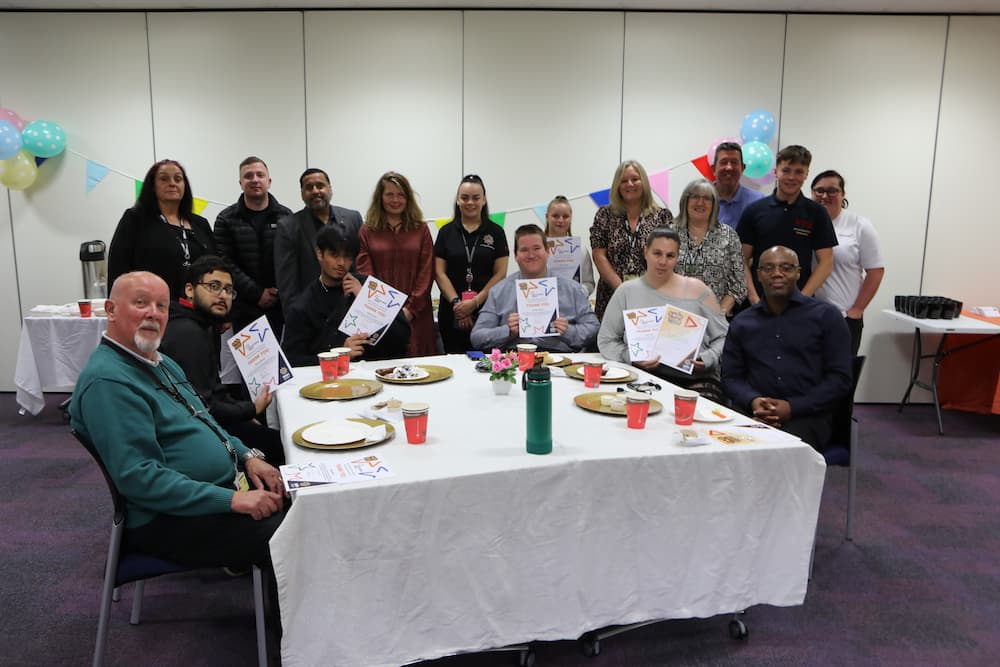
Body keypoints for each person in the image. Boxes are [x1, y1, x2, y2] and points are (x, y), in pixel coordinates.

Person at [68, 271, 285, 570]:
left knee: (303, 500)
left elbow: (206, 422)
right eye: (141, 303)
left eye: (161, 306)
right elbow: (140, 479)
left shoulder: (159, 361)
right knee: (291, 532)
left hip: (211, 494)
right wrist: (232, 501)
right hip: (166, 518)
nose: (153, 314)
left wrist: (247, 456)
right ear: (111, 310)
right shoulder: (109, 382)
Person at [721, 246, 852, 452]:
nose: (777, 273)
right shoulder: (742, 322)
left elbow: (840, 379)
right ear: (759, 275)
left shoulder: (826, 317)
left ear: (798, 272)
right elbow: (731, 377)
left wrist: (793, 407)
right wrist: (753, 400)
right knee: (720, 451)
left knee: (775, 452)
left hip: (807, 416)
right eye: (769, 268)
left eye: (786, 268)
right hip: (752, 413)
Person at [159, 255, 285, 466]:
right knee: (281, 446)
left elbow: (214, 390)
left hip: (207, 424)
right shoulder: (187, 332)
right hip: (194, 435)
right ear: (189, 290)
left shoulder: (200, 325)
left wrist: (243, 413)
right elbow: (205, 407)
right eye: (214, 286)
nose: (222, 295)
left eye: (228, 290)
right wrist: (251, 409)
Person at [598, 228, 729, 402]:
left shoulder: (698, 290)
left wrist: (708, 358)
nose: (662, 262)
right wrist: (631, 357)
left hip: (695, 379)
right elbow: (606, 340)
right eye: (657, 254)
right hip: (643, 377)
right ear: (645, 252)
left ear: (678, 257)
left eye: (670, 256)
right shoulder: (626, 291)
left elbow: (725, 337)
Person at [282, 225, 410, 366]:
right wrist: (338, 354)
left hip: (378, 370)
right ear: (320, 254)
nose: (341, 263)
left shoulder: (369, 286)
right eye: (334, 255)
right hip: (331, 380)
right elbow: (293, 360)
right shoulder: (303, 305)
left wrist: (365, 298)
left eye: (347, 257)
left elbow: (403, 335)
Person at [471, 224, 599, 353]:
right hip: (514, 360)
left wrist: (568, 331)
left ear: (547, 251)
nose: (531, 255)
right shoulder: (498, 291)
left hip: (560, 359)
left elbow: (594, 329)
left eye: (537, 248)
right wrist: (507, 331)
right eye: (524, 250)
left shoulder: (572, 289)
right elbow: (477, 337)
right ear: (516, 256)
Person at [736, 145, 838, 306]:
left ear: (806, 174)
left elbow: (826, 262)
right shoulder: (754, 211)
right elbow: (741, 259)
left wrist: (803, 298)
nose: (792, 177)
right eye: (786, 170)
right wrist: (754, 298)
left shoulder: (817, 213)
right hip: (759, 303)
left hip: (800, 305)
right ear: (776, 171)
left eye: (798, 172)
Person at [108, 159, 216, 300]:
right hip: (152, 306)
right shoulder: (135, 219)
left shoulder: (200, 223)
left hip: (200, 308)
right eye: (164, 179)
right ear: (152, 186)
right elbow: (118, 267)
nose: (172, 183)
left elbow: (216, 268)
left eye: (178, 179)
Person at [356, 172, 437, 357]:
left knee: (420, 373)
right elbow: (365, 274)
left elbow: (426, 272)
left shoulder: (421, 229)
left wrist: (409, 310)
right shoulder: (367, 231)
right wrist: (383, 311)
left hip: (416, 315)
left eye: (401, 194)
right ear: (380, 197)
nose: (395, 199)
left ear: (408, 198)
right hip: (377, 316)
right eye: (389, 194)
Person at [213, 156, 292, 334]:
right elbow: (224, 262)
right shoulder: (225, 219)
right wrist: (257, 294)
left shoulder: (286, 216)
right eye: (248, 176)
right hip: (243, 308)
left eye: (260, 175)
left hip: (282, 307)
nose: (255, 179)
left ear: (269, 181)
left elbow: (291, 261)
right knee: (251, 362)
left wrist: (277, 291)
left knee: (283, 361)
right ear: (240, 183)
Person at [811, 170, 886, 356]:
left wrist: (856, 310)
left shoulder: (859, 225)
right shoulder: (805, 224)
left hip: (843, 318)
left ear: (843, 194)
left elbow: (876, 271)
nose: (825, 196)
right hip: (808, 316)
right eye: (819, 190)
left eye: (832, 190)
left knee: (840, 379)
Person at [434, 174, 509, 353]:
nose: (470, 202)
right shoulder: (446, 232)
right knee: (454, 364)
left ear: (483, 200)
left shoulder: (496, 232)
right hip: (451, 312)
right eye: (465, 197)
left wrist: (474, 303)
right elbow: (438, 272)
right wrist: (458, 305)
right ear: (458, 200)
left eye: (476, 198)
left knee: (486, 365)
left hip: (487, 312)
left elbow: (500, 274)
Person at [590, 160, 673, 320]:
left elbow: (668, 256)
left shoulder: (662, 216)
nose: (630, 184)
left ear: (644, 182)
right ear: (617, 185)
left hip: (651, 297)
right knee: (611, 342)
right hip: (612, 295)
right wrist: (622, 289)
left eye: (635, 179)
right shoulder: (605, 215)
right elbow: (599, 255)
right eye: (624, 180)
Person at [274, 168, 363, 317]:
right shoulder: (288, 226)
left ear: (330, 189)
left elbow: (360, 266)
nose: (315, 191)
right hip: (312, 312)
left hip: (351, 308)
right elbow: (287, 283)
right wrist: (295, 320)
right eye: (309, 188)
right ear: (302, 193)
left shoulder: (353, 218)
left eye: (320, 186)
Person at [672, 179, 746, 316]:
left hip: (716, 317)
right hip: (675, 317)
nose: (700, 203)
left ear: (715, 205)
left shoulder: (729, 235)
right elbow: (658, 276)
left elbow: (738, 285)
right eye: (695, 197)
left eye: (706, 198)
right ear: (685, 201)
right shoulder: (670, 234)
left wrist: (718, 314)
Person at [543, 195, 595, 296]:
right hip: (544, 304)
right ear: (547, 217)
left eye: (565, 216)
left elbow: (589, 283)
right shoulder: (537, 248)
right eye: (555, 216)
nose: (560, 220)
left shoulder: (580, 249)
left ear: (571, 218)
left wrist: (579, 291)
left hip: (573, 306)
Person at [712, 141, 765, 229]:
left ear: (743, 168)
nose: (729, 167)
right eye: (724, 162)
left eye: (734, 162)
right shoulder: (699, 200)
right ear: (713, 169)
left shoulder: (759, 201)